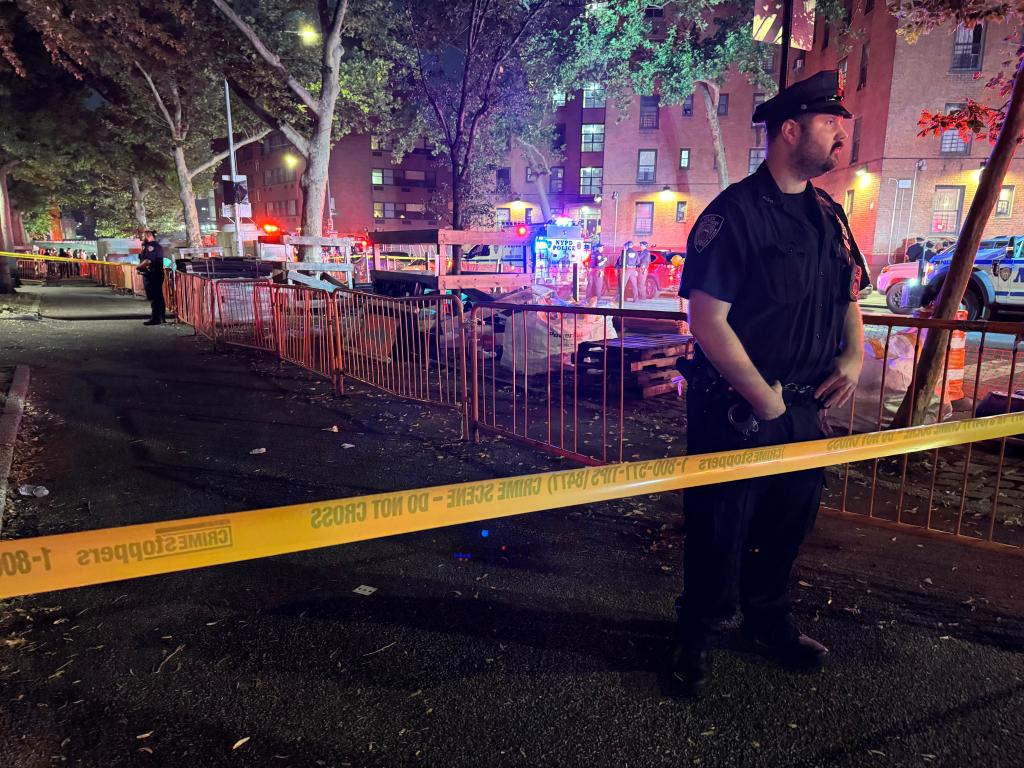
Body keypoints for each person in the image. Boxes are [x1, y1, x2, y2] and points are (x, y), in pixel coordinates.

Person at [673, 70, 870, 697]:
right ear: (790, 130)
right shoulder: (734, 215)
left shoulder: (826, 215)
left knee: (788, 525)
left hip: (804, 406)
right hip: (736, 409)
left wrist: (855, 355)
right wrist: (762, 397)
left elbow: (847, 294)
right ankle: (695, 634)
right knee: (718, 529)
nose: (842, 132)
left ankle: (767, 622)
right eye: (830, 122)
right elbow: (707, 320)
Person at [138, 231, 166, 325]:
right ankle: (161, 317)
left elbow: (148, 260)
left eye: (142, 236)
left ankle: (156, 318)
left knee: (154, 297)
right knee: (158, 296)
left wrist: (138, 267)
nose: (141, 238)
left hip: (152, 274)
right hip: (155, 273)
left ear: (148, 236)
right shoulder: (155, 246)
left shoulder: (151, 246)